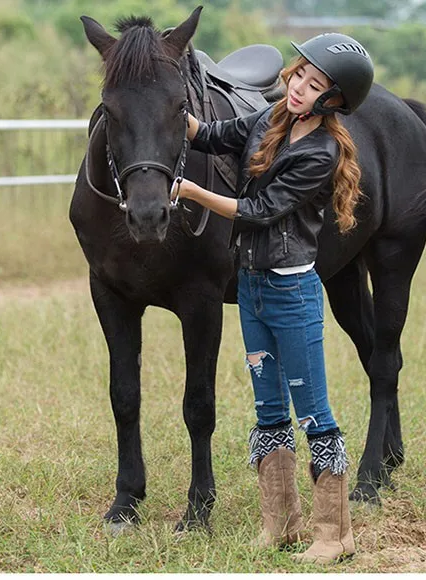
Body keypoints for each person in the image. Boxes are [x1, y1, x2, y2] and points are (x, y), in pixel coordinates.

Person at [172, 33, 374, 564]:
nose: (300, 87)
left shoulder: (320, 152)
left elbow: (259, 209)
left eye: (315, 84)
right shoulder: (272, 117)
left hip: (292, 291)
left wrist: (193, 192)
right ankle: (280, 524)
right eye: (300, 74)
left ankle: (334, 535)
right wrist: (170, 110)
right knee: (268, 408)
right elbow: (214, 134)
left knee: (314, 411)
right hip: (253, 287)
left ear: (334, 99)